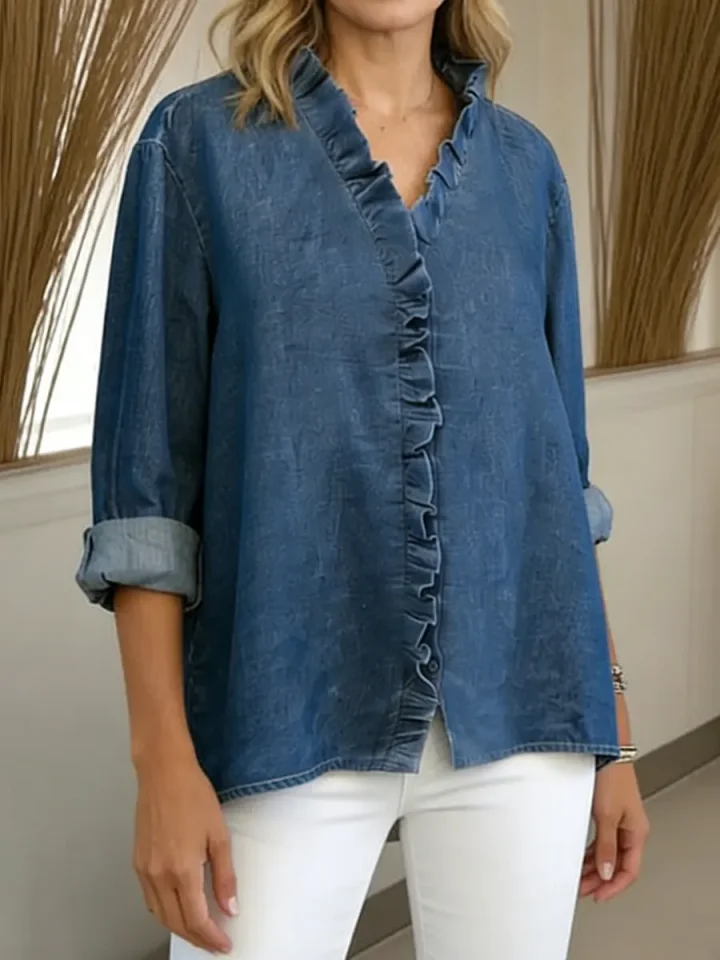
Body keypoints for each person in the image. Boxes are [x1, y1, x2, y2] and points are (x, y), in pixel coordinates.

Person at [76, 1, 650, 957]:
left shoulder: (526, 171)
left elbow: (558, 486)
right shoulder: (197, 145)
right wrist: (161, 760)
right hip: (286, 706)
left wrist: (612, 727)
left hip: (524, 709)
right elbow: (147, 491)